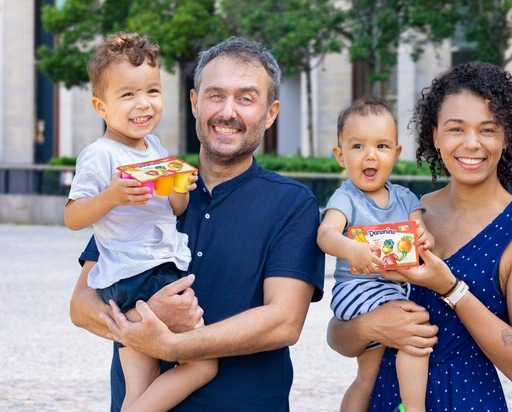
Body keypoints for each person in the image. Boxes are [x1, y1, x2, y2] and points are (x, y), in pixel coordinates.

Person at [69, 36, 325, 411]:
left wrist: (172, 345)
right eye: (215, 95)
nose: (227, 111)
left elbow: (283, 322)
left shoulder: (291, 204)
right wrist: (146, 313)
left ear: (271, 113)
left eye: (246, 98)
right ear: (194, 102)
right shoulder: (140, 183)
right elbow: (81, 305)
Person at [327, 61, 512, 411]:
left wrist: (451, 289)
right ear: (435, 135)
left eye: (488, 130)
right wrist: (372, 327)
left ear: (507, 136)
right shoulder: (411, 213)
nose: (471, 144)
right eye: (455, 129)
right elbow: (338, 335)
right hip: (388, 398)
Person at [65, 32, 216, 412]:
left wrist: (181, 186)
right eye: (127, 95)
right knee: (203, 363)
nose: (143, 104)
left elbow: (176, 210)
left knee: (139, 383)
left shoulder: (156, 149)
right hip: (141, 275)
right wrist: (111, 197)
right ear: (100, 106)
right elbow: (72, 216)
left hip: (146, 270)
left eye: (152, 91)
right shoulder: (99, 156)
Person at [317, 97, 433, 412]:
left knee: (366, 378)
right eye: (358, 147)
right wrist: (350, 248)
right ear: (340, 156)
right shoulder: (346, 198)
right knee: (416, 329)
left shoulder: (406, 198)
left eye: (382, 146)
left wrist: (423, 236)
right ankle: (414, 407)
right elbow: (325, 234)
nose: (370, 155)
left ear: (395, 154)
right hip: (356, 290)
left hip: (390, 288)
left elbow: (422, 234)